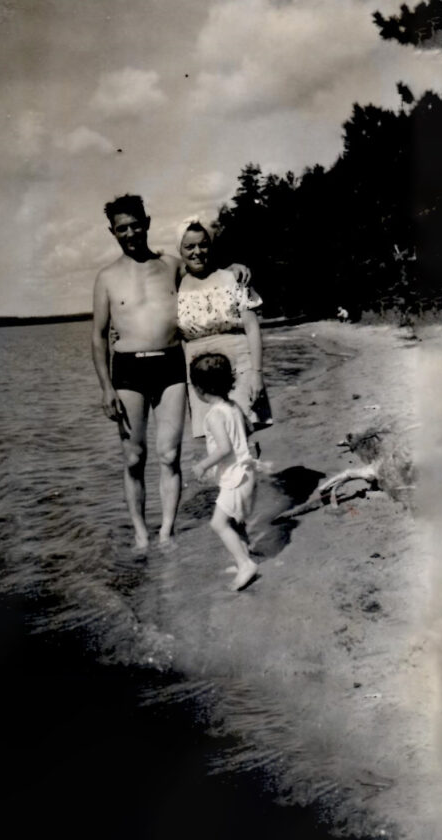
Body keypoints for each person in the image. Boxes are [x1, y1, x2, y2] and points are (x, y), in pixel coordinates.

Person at [91, 195, 249, 551]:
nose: (130, 233)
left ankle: (166, 532)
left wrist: (233, 266)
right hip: (127, 368)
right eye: (122, 228)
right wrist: (105, 388)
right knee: (133, 457)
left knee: (168, 455)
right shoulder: (106, 277)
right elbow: (98, 336)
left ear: (147, 222)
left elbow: (204, 267)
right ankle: (140, 534)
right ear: (112, 232)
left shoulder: (171, 265)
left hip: (170, 365)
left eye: (135, 225)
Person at [176, 217, 272, 439]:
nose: (197, 252)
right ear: (179, 251)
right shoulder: (176, 287)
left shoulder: (233, 278)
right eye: (189, 247)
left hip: (239, 363)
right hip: (198, 370)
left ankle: (250, 473)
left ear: (211, 245)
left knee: (244, 431)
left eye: (203, 244)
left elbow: (252, 328)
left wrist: (257, 373)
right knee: (214, 437)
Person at [190, 353, 259, 591]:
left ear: (198, 389)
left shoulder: (213, 415)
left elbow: (224, 448)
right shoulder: (233, 406)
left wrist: (203, 465)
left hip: (235, 477)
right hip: (247, 471)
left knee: (218, 523)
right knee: (235, 520)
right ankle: (245, 556)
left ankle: (244, 563)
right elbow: (249, 429)